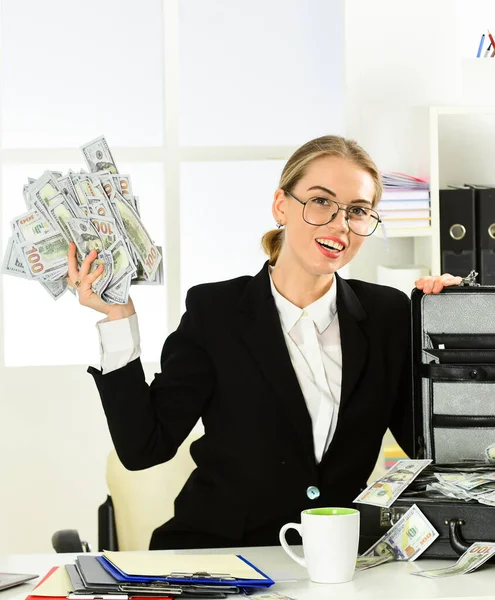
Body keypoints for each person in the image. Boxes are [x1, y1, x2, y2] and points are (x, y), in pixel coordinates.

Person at [67, 135, 462, 550]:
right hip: (220, 554)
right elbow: (143, 448)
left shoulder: (389, 314)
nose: (340, 224)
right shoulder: (215, 311)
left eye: (358, 211)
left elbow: (432, 445)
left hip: (338, 557)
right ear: (281, 206)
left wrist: (459, 330)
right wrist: (117, 318)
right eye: (321, 201)